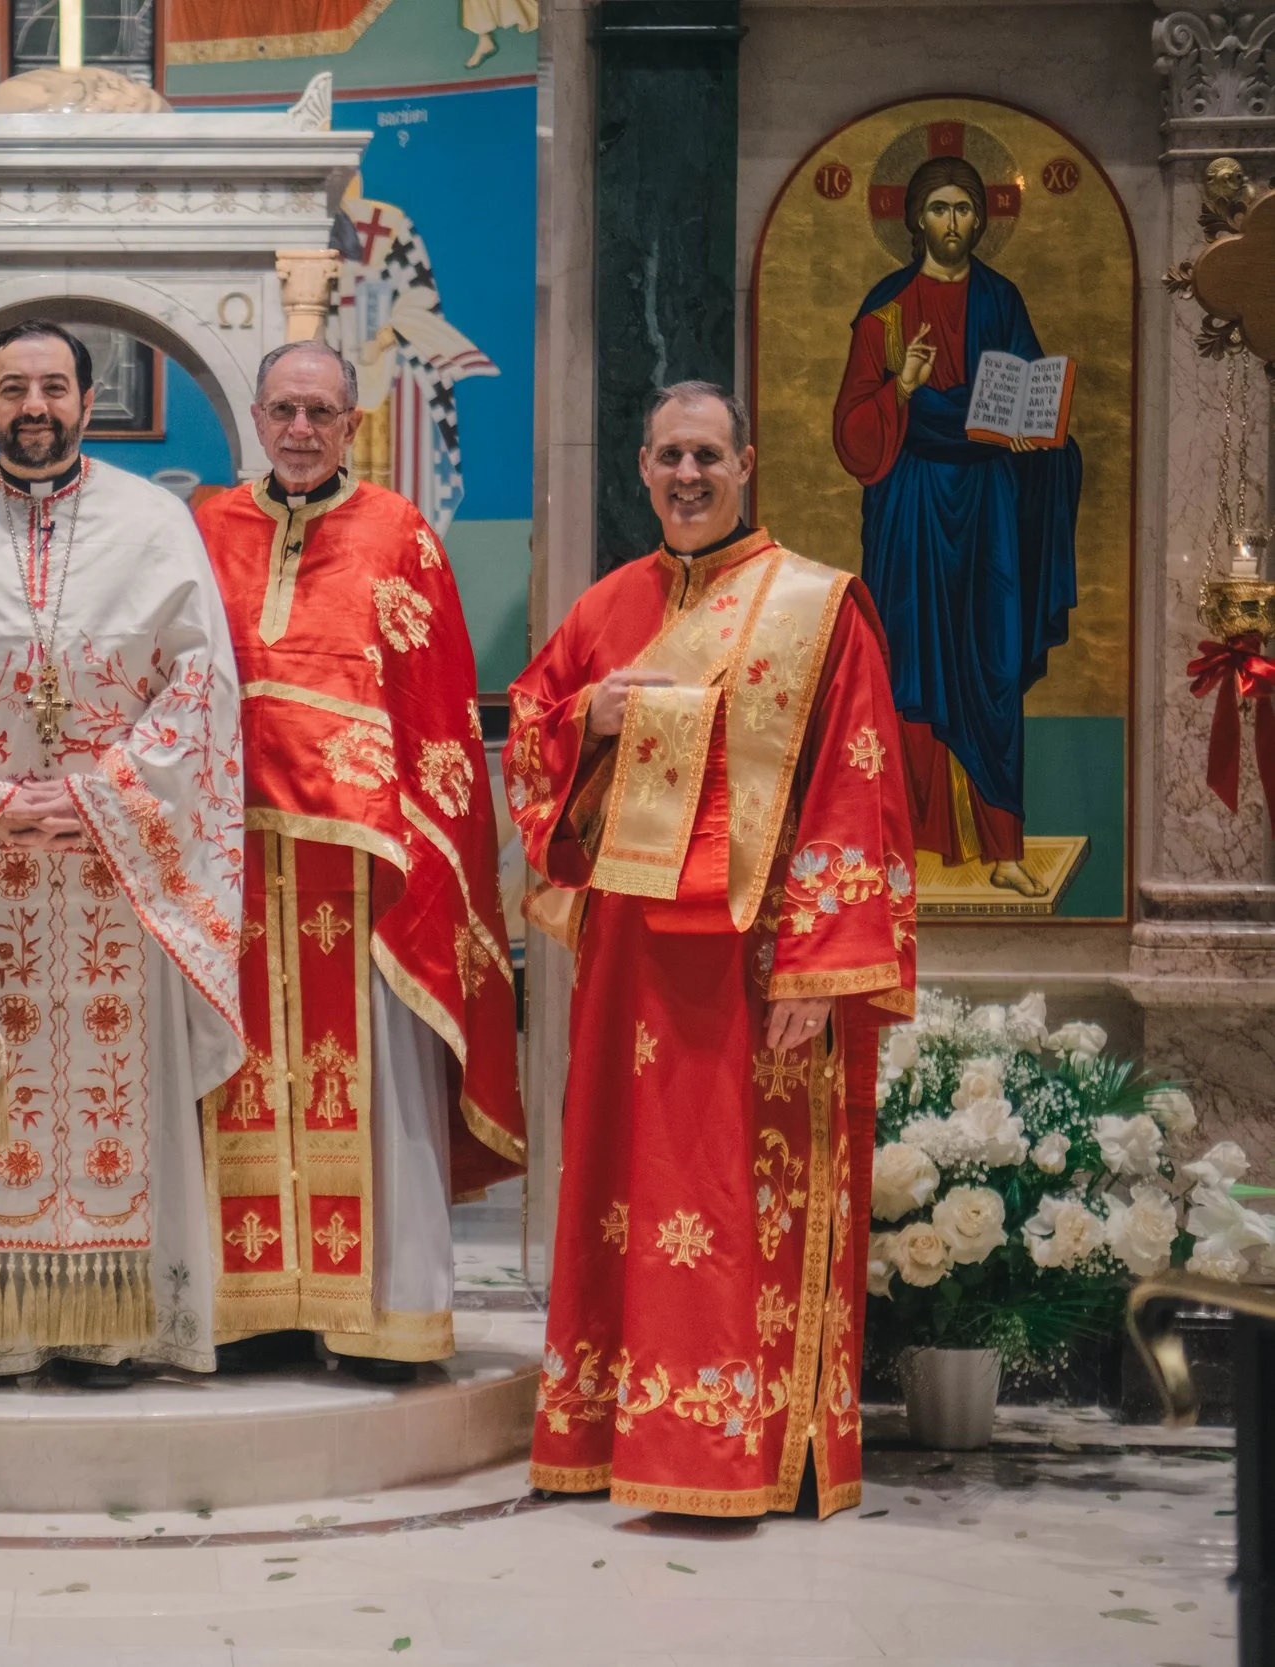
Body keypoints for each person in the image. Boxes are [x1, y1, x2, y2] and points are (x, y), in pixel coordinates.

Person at [512, 381, 915, 1519]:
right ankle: (614, 1428)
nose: (686, 477)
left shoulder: (817, 608)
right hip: (628, 964)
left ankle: (748, 1453)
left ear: (746, 465)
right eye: (666, 458)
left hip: (753, 970)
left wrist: (818, 964)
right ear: (640, 470)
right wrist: (587, 714)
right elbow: (530, 741)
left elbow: (860, 786)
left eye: (706, 456)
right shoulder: (606, 607)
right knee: (625, 1195)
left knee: (740, 1198)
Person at [0, 319, 244, 1388]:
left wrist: (103, 794)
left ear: (86, 399)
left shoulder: (157, 524)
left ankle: (119, 1327)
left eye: (55, 386)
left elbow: (201, 688)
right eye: (14, 388)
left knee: (124, 1102)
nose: (36, 405)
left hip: (121, 871)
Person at [190, 340, 524, 1382]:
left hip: (365, 871)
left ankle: (374, 1313)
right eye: (283, 410)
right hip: (235, 863)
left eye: (320, 413)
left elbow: (437, 713)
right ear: (256, 416)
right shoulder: (203, 529)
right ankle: (245, 1310)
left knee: (368, 1086)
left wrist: (423, 840)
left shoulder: (399, 533)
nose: (299, 429)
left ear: (351, 425)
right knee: (233, 1074)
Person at [831, 153, 1080, 898]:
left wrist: (1051, 440)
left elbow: (1030, 392)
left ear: (981, 219)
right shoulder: (887, 306)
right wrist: (901, 389)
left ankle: (1003, 847)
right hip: (911, 509)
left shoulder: (1002, 300)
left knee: (994, 667)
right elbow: (852, 428)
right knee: (909, 666)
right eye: (938, 208)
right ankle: (903, 844)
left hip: (991, 511)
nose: (952, 223)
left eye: (965, 209)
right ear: (913, 219)